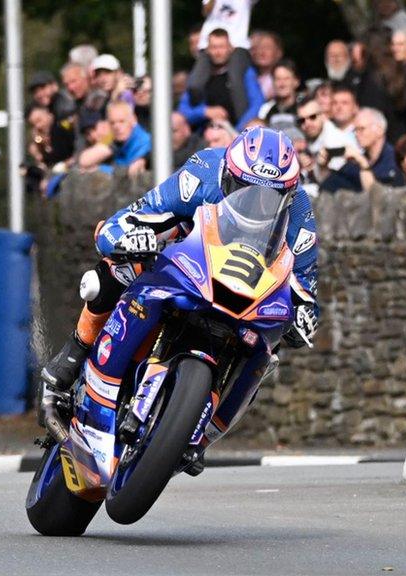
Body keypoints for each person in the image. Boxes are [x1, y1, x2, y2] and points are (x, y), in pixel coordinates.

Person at [39, 127, 320, 455]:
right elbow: (123, 222)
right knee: (118, 268)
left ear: (289, 193)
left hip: (245, 295)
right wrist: (131, 238)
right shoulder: (200, 175)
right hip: (188, 262)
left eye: (270, 197)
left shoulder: (301, 217)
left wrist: (303, 315)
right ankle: (74, 352)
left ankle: (204, 433)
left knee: (267, 350)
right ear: (228, 174)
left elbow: (306, 290)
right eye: (245, 189)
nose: (256, 203)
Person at [178, 28, 264, 130]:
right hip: (207, 133)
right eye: (214, 47)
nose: (218, 52)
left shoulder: (244, 72)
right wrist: (205, 112)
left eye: (222, 47)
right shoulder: (199, 77)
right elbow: (183, 110)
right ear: (207, 50)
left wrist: (238, 130)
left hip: (238, 131)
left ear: (230, 48)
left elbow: (257, 103)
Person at [187, 0, 255, 111]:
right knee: (195, 84)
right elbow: (206, 11)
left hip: (237, 43)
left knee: (235, 81)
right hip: (209, 43)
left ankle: (243, 124)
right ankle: (201, 117)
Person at [320, 108, 402, 192]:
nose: (356, 134)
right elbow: (329, 185)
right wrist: (323, 167)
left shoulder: (395, 159)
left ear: (379, 130)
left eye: (361, 129)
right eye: (355, 130)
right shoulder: (356, 161)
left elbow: (377, 197)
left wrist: (363, 164)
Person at [77, 101, 151, 176]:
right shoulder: (117, 140)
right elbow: (84, 161)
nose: (116, 127)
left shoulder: (144, 142)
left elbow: (130, 172)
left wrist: (100, 169)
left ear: (133, 120)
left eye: (121, 121)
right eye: (112, 123)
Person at [298, 97, 357, 175]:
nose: (307, 124)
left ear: (323, 116)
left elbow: (334, 181)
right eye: (302, 120)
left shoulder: (335, 141)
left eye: (313, 117)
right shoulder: (309, 139)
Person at [257, 59, 301, 130]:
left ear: (296, 82)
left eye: (286, 79)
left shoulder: (305, 106)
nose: (282, 84)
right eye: (278, 79)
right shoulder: (266, 109)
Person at [250, 30, 284, 100]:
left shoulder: (284, 79)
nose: (262, 52)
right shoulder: (248, 77)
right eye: (258, 48)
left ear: (278, 53)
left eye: (267, 48)